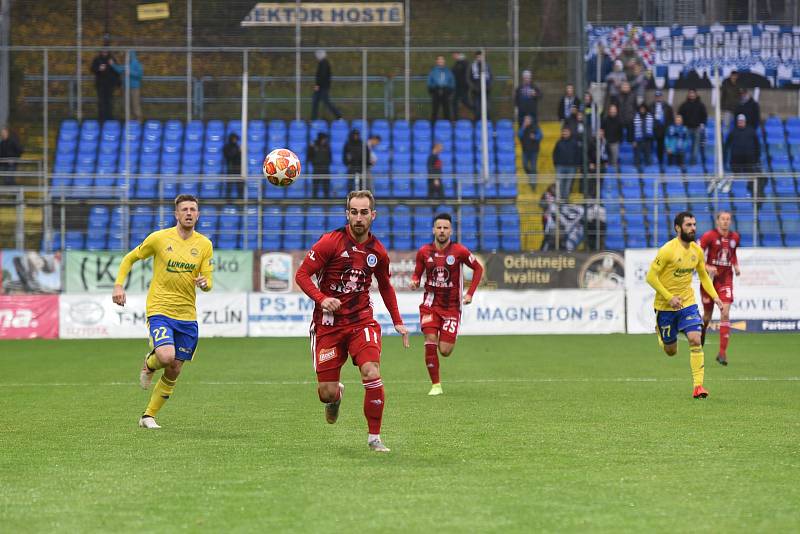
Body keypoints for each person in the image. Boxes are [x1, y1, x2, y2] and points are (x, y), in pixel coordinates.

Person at [294, 190, 410, 453]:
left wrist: (398, 321)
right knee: (326, 392)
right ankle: (336, 397)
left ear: (373, 215)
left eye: (364, 212)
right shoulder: (330, 242)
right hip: (328, 325)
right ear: (347, 214)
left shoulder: (377, 251)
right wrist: (322, 298)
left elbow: (386, 286)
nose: (359, 218)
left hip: (361, 321)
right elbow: (302, 275)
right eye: (354, 212)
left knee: (371, 372)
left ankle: (374, 438)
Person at [112, 194, 214, 429]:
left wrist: (204, 283)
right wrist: (118, 285)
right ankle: (149, 363)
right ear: (176, 214)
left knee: (175, 368)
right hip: (160, 309)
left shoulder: (204, 245)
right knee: (166, 356)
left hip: (187, 315)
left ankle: (148, 416)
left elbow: (209, 282)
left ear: (198, 215)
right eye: (184, 209)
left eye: (193, 209)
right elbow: (130, 258)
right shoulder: (159, 239)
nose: (189, 213)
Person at [646, 211, 723, 399]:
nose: (693, 228)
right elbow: (650, 277)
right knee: (670, 351)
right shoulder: (667, 250)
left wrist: (715, 296)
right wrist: (669, 296)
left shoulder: (696, 251)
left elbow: (703, 276)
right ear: (678, 228)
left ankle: (698, 387)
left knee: (696, 339)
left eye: (694, 225)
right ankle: (661, 333)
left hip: (687, 303)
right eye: (688, 225)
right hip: (665, 306)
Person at [409, 212, 484, 396]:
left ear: (451, 231)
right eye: (439, 227)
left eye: (445, 228)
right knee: (430, 340)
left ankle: (450, 334)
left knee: (445, 350)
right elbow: (417, 273)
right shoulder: (423, 252)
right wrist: (414, 281)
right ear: (433, 230)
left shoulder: (459, 251)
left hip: (451, 307)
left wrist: (470, 294)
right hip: (430, 305)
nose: (442, 231)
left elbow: (478, 268)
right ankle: (436, 385)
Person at [699, 211, 741, 366]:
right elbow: (697, 257)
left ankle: (722, 354)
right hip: (709, 281)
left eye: (728, 219)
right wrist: (707, 266)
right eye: (722, 219)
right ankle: (700, 337)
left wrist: (736, 266)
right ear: (717, 221)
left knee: (725, 313)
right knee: (707, 317)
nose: (725, 222)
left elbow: (733, 254)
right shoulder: (708, 236)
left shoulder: (735, 237)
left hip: (725, 280)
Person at [725, 114, 762, 197]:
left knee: (750, 177)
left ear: (745, 121)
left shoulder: (751, 131)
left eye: (742, 121)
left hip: (749, 159)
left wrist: (757, 157)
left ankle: (750, 191)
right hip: (736, 159)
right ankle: (735, 193)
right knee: (736, 177)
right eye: (739, 121)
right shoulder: (733, 131)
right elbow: (726, 145)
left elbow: (757, 145)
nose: (740, 122)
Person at [677, 88, 707, 167]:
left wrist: (702, 124)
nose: (692, 94)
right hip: (686, 128)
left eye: (693, 93)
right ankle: (682, 162)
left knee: (695, 146)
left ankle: (693, 162)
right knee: (684, 145)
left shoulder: (701, 105)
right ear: (688, 94)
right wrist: (681, 125)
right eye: (690, 93)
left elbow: (704, 116)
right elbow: (679, 115)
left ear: (696, 94)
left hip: (697, 128)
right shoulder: (684, 105)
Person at [111, 50, 144, 121]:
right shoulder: (126, 64)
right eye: (126, 55)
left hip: (134, 88)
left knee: (135, 104)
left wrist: (130, 72)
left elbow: (140, 75)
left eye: (128, 55)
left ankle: (138, 120)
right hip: (126, 87)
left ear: (132, 55)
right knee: (126, 104)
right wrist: (113, 64)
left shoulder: (137, 64)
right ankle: (129, 120)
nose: (127, 56)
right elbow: (119, 69)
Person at [90, 48, 120, 122]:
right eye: (103, 51)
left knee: (109, 101)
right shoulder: (97, 59)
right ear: (101, 52)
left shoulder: (112, 59)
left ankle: (109, 118)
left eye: (106, 52)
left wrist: (118, 83)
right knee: (101, 102)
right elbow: (92, 69)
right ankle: (101, 119)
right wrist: (99, 69)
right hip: (100, 84)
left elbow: (117, 72)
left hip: (110, 85)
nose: (104, 53)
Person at [311, 50, 342, 120]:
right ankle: (313, 119)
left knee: (326, 102)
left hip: (323, 87)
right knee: (315, 101)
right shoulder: (322, 63)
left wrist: (317, 85)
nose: (316, 57)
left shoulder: (324, 63)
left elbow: (322, 75)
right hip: (322, 87)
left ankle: (338, 115)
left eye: (317, 55)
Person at [552, 127, 579, 199]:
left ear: (570, 133)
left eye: (566, 132)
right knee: (559, 185)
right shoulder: (558, 142)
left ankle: (565, 202)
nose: (565, 133)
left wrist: (575, 164)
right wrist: (556, 164)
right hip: (560, 166)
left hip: (571, 167)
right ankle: (560, 201)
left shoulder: (574, 142)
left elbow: (578, 154)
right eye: (563, 132)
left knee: (568, 185)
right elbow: (554, 154)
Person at [650, 90, 674, 171]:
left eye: (659, 96)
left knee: (667, 145)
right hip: (655, 129)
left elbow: (671, 118)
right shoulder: (651, 106)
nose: (658, 98)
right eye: (657, 96)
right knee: (657, 146)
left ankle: (668, 162)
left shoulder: (667, 106)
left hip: (665, 129)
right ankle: (659, 161)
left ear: (662, 97)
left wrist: (669, 127)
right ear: (655, 97)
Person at [427, 56, 454, 121]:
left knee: (446, 109)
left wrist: (450, 90)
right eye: (439, 60)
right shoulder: (433, 71)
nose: (441, 61)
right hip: (436, 90)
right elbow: (429, 81)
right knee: (435, 109)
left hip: (445, 90)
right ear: (437, 61)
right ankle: (433, 126)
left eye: (442, 60)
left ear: (444, 61)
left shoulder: (448, 71)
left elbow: (452, 81)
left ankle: (447, 125)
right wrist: (431, 89)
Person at [518, 115, 542, 187]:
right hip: (525, 150)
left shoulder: (536, 127)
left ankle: (533, 184)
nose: (526, 121)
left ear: (531, 121)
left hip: (534, 151)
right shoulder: (522, 128)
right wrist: (523, 127)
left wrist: (535, 137)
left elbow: (540, 136)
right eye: (525, 120)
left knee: (533, 167)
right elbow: (519, 135)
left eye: (528, 120)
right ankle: (531, 175)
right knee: (525, 165)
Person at [468, 50, 492, 120]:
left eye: (481, 57)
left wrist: (489, 86)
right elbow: (468, 78)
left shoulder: (487, 66)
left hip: (486, 91)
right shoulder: (472, 66)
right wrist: (473, 87)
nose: (479, 58)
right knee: (477, 109)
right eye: (478, 57)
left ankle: (488, 125)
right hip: (476, 92)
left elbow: (491, 77)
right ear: (476, 58)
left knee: (487, 109)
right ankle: (476, 125)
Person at [308, 132, 331, 198]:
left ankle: (326, 199)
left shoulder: (327, 146)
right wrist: (314, 162)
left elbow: (329, 156)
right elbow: (309, 156)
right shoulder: (313, 146)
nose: (325, 140)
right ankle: (314, 198)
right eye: (324, 139)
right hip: (316, 167)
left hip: (325, 168)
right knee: (315, 184)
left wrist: (327, 163)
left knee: (326, 184)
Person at [632, 103, 654, 172]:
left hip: (647, 140)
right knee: (637, 157)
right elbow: (632, 129)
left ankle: (648, 171)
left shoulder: (650, 117)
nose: (642, 109)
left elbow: (653, 129)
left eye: (643, 108)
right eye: (641, 108)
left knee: (647, 156)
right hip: (638, 140)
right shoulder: (635, 117)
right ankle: (637, 171)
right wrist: (633, 140)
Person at [601, 104, 623, 171]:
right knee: (605, 159)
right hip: (606, 142)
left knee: (614, 160)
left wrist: (619, 140)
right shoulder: (605, 120)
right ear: (609, 111)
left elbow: (620, 133)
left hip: (615, 143)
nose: (612, 112)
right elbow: (602, 130)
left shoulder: (619, 120)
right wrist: (603, 139)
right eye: (611, 110)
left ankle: (614, 175)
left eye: (614, 110)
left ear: (616, 111)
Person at [451, 52, 471, 119]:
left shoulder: (464, 62)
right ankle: (455, 119)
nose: (453, 56)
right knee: (454, 102)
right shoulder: (457, 63)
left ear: (458, 54)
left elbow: (467, 74)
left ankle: (478, 112)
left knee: (465, 101)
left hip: (463, 86)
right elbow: (453, 72)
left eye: (454, 54)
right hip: (457, 87)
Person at [222, 133, 242, 198]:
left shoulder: (237, 146)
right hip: (230, 167)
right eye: (234, 139)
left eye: (236, 139)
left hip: (238, 168)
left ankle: (240, 197)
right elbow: (229, 156)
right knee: (229, 184)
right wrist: (238, 151)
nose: (235, 140)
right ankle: (228, 198)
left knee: (239, 184)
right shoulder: (227, 147)